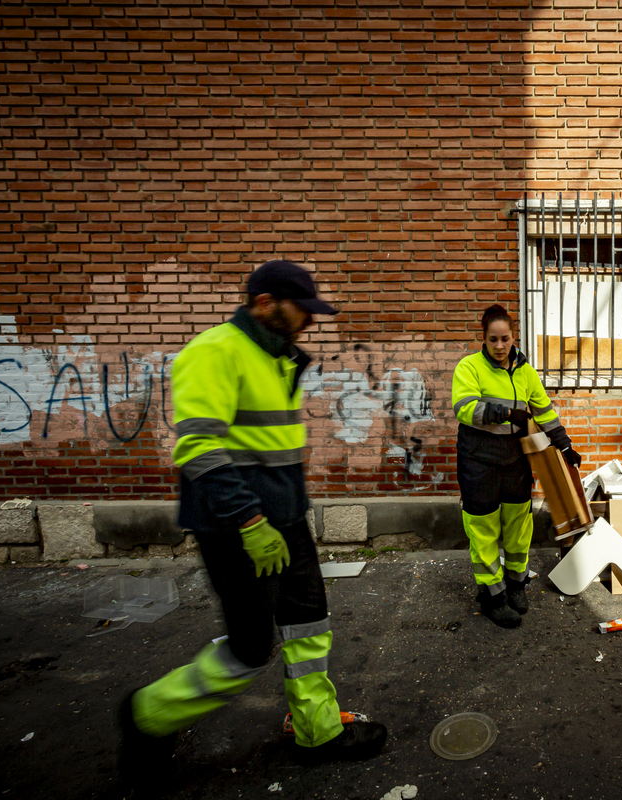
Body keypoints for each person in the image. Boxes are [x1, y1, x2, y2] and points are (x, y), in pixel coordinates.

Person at [118, 260, 387, 787]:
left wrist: (281, 518)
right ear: (264, 303)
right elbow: (197, 447)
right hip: (236, 526)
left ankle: (317, 731)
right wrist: (250, 521)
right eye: (300, 310)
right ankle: (148, 715)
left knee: (308, 625)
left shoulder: (275, 357)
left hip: (284, 520)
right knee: (249, 649)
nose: (309, 321)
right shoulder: (214, 351)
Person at [451, 304, 581, 629]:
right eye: (492, 339)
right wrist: (507, 414)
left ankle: (516, 586)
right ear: (483, 338)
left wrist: (564, 444)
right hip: (478, 461)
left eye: (504, 339)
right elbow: (465, 409)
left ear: (513, 337)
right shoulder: (469, 368)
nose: (499, 346)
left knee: (518, 528)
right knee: (483, 531)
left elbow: (545, 411)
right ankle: (492, 598)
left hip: (515, 460)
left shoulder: (525, 371)